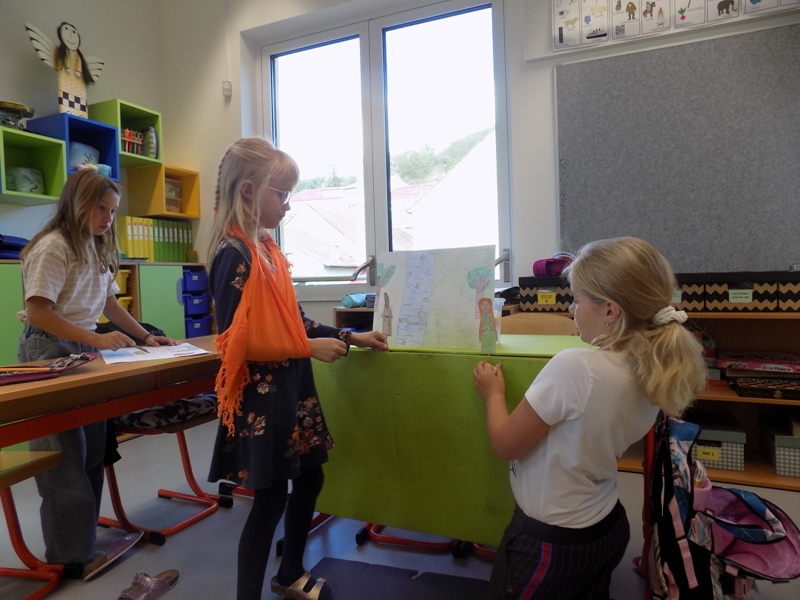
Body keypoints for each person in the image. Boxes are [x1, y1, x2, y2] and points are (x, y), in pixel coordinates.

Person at [472, 237, 706, 600]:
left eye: (577, 300)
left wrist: (494, 394)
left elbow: (505, 444)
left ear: (610, 311)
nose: (571, 310)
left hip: (552, 541)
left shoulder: (576, 367)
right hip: (605, 523)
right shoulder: (655, 368)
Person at [205, 137, 388, 600]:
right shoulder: (233, 254)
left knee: (310, 477)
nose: (288, 205)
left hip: (292, 388)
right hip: (262, 396)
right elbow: (237, 342)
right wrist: (306, 347)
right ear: (249, 190)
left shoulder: (267, 250)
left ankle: (289, 575)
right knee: (269, 501)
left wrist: (350, 335)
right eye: (282, 193)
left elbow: (294, 321)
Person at [17, 168, 178, 579]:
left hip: (84, 349)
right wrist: (96, 339)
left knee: (91, 449)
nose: (108, 218)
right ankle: (69, 554)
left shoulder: (95, 247)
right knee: (64, 456)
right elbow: (39, 312)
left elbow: (109, 304)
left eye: (113, 210)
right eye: (100, 208)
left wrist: (145, 336)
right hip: (48, 350)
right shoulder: (54, 246)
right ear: (77, 205)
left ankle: (82, 540)